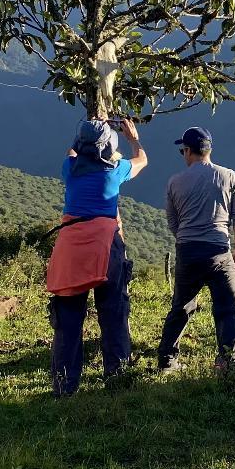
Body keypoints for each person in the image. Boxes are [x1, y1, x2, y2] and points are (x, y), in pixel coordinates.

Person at [44, 117, 147, 396]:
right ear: (107, 147)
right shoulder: (115, 171)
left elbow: (71, 152)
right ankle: (117, 378)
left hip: (70, 245)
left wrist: (84, 135)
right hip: (105, 244)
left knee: (68, 318)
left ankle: (65, 386)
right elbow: (142, 160)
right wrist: (132, 137)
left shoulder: (71, 169)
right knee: (113, 312)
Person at [156, 127, 235, 373]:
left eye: (182, 150)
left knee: (182, 306)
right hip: (219, 250)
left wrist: (186, 239)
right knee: (228, 308)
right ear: (209, 150)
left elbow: (173, 222)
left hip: (187, 251)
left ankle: (167, 360)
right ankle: (228, 362)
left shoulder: (175, 182)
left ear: (187, 151)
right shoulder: (230, 176)